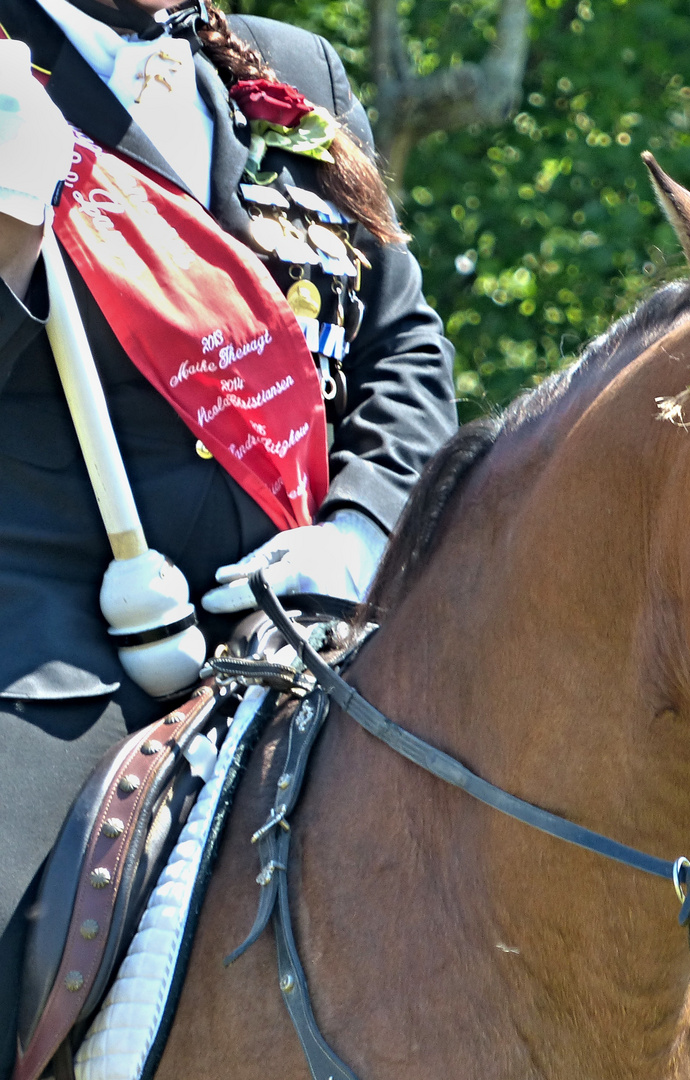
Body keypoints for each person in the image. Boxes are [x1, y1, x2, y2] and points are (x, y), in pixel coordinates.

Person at [0, 0, 457, 1070]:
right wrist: (11, 249)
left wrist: (362, 531)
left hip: (323, 614)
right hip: (58, 644)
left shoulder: (293, 67)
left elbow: (402, 346)